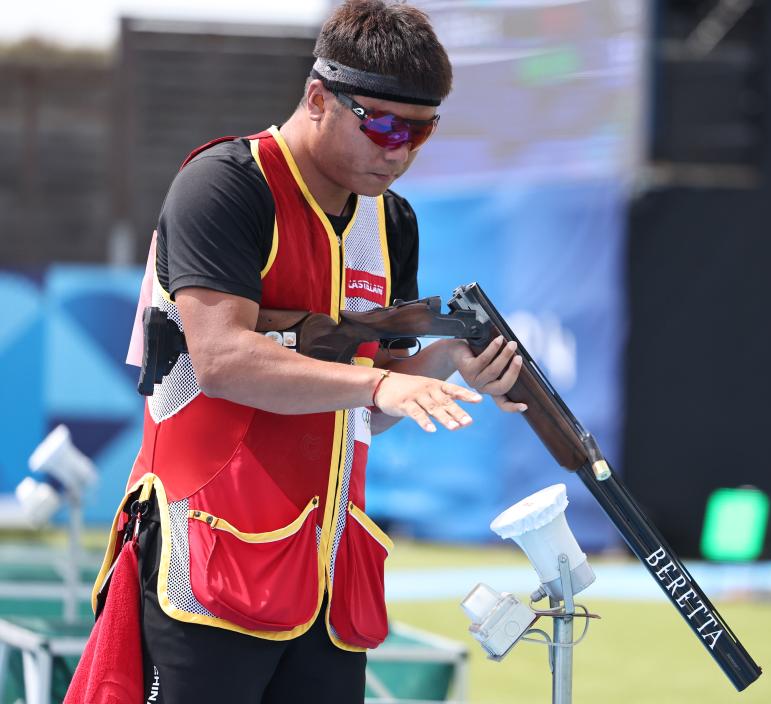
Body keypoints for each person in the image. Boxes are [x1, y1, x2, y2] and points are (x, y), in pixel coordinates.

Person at [92, 2, 525, 702]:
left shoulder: (393, 221)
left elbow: (366, 408)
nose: (400, 151)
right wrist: (379, 385)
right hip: (203, 568)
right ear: (319, 98)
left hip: (326, 584)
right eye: (383, 125)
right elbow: (222, 360)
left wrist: (443, 360)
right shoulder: (226, 183)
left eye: (421, 131)